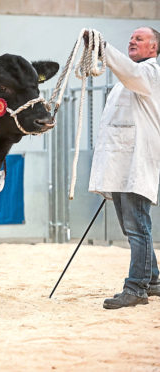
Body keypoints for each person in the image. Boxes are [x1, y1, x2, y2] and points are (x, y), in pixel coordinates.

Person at [87, 27, 160, 309]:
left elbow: (129, 71)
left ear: (153, 48)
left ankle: (136, 287)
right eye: (131, 37)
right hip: (121, 165)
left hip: (136, 163)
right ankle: (152, 280)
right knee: (135, 227)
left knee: (137, 227)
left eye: (139, 39)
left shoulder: (150, 74)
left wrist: (101, 47)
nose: (132, 40)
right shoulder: (127, 80)